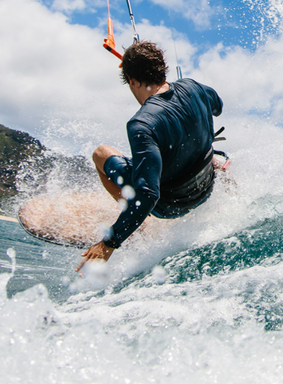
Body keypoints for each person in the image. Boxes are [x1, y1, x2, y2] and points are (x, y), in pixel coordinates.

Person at [75, 40, 224, 273]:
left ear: (133, 81)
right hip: (207, 187)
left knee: (101, 154)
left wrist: (109, 243)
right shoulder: (193, 87)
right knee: (197, 148)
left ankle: (137, 219)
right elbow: (218, 106)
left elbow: (148, 193)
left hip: (169, 206)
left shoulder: (142, 123)